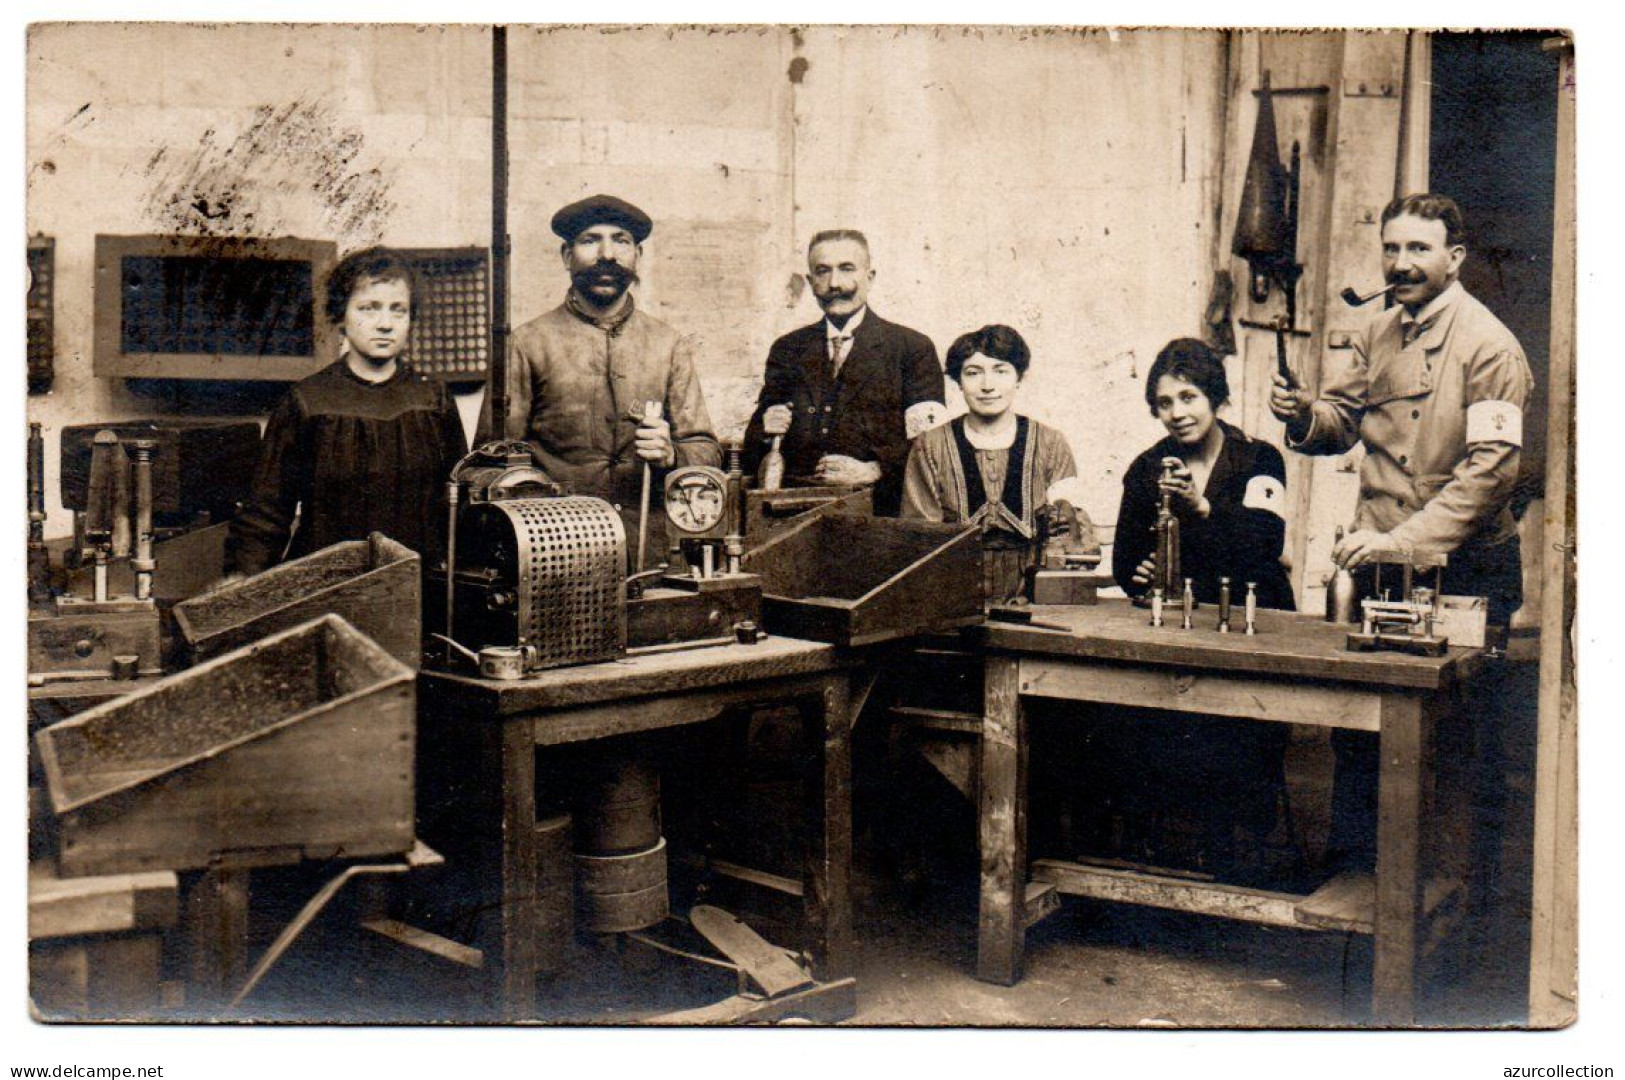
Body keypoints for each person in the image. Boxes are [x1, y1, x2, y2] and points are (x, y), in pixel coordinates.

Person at [1268, 192, 1533, 871]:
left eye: (1418, 249)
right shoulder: (1379, 331)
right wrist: (1304, 413)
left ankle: (1454, 919)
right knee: (1359, 738)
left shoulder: (1490, 347)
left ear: (1455, 257)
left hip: (1464, 571)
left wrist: (1402, 540)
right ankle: (1358, 897)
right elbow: (1342, 422)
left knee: (1458, 749)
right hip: (1381, 566)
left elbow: (1489, 476)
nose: (1400, 263)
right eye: (1391, 248)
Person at [1105, 337, 1294, 880]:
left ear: (1214, 397)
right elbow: (1124, 560)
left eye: (1188, 397)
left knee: (1238, 737)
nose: (1177, 413)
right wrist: (1137, 574)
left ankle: (1231, 855)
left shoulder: (1261, 458)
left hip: (1251, 623)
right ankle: (1156, 856)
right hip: (1184, 624)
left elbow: (1265, 544)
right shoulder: (1147, 468)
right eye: (1165, 404)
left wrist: (1203, 507)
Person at [498, 194, 721, 563]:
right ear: (566, 256)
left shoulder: (668, 345)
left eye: (621, 240)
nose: (607, 254)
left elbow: (706, 450)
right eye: (590, 240)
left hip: (650, 551)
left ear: (638, 256)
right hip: (558, 551)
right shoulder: (526, 343)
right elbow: (499, 457)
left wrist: (672, 454)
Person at [225, 247, 467, 577]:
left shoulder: (433, 400)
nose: (385, 324)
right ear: (342, 316)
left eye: (398, 310)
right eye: (369, 308)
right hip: (326, 587)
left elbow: (458, 505)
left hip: (419, 589)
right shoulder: (308, 401)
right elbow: (266, 513)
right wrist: (243, 587)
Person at [742, 230, 944, 516]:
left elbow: (930, 446)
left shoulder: (912, 348)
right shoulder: (788, 349)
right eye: (822, 272)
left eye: (846, 269)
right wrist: (766, 427)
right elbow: (754, 450)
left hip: (877, 514)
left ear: (869, 276)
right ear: (811, 283)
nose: (834, 283)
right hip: (794, 513)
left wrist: (873, 469)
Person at [900, 324, 1080, 604]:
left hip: (1035, 601)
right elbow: (920, 537)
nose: (987, 385)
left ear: (1019, 377)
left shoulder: (1050, 443)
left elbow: (1068, 532)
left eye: (1001, 370)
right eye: (973, 373)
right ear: (958, 381)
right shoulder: (930, 446)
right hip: (952, 597)